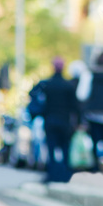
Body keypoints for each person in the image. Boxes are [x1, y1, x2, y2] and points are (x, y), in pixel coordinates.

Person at [35, 56, 82, 184]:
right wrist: (78, 122)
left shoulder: (46, 84)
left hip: (50, 121)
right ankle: (66, 175)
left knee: (51, 148)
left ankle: (52, 174)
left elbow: (34, 95)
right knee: (65, 149)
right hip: (65, 122)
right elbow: (76, 106)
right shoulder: (68, 86)